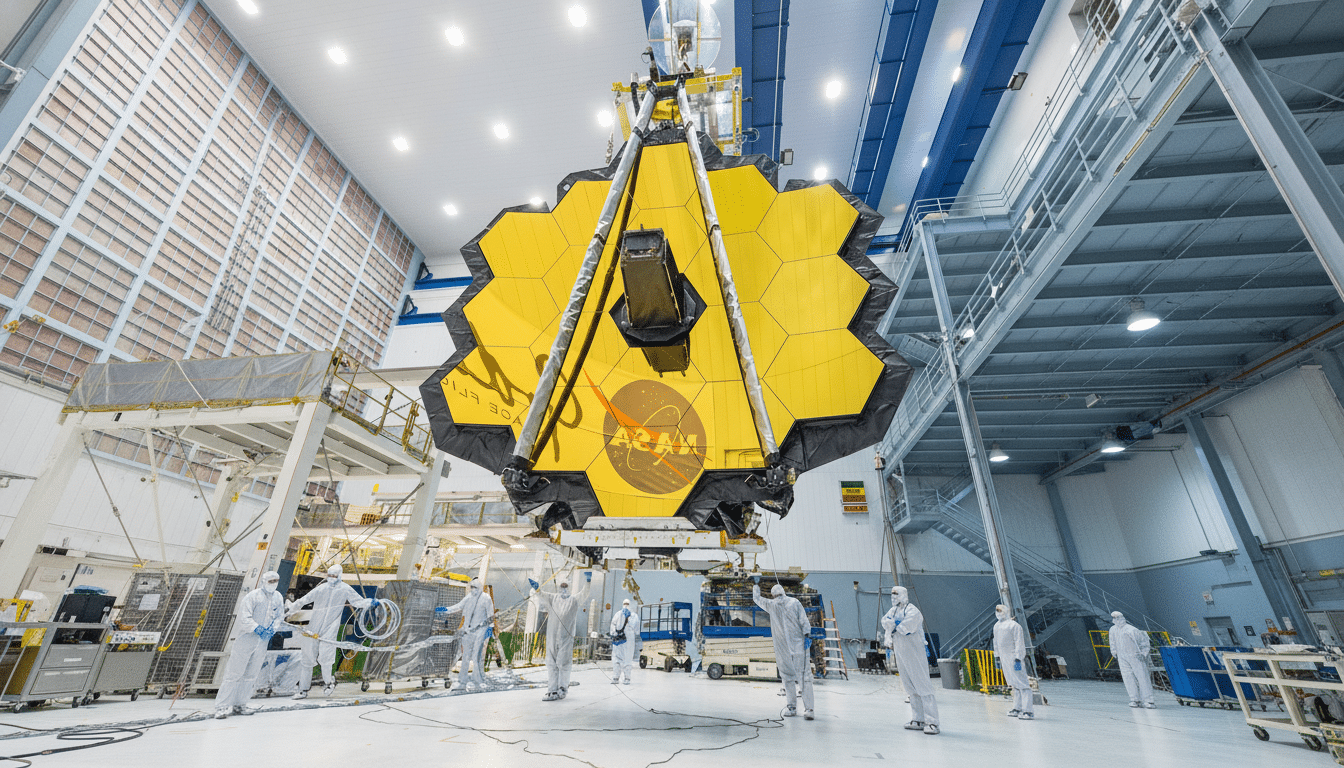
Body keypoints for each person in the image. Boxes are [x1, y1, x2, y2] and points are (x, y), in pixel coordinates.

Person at [287, 564, 377, 699]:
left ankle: (329, 683)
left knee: (326, 657)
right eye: (329, 575)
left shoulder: (345, 589)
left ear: (340, 575)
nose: (331, 578)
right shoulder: (321, 588)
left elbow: (358, 601)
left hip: (330, 627)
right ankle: (303, 690)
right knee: (307, 658)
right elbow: (305, 599)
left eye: (334, 576)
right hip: (314, 627)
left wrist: (370, 603)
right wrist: (291, 608)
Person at [214, 571, 284, 718]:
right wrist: (257, 628)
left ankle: (240, 704)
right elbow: (244, 617)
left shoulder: (278, 597)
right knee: (234, 673)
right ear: (264, 581)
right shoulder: (252, 596)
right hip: (246, 639)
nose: (273, 583)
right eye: (271, 581)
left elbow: (279, 617)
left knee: (251, 674)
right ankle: (222, 706)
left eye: (276, 581)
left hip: (263, 642)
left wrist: (273, 628)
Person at [752, 582, 815, 720]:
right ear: (783, 592)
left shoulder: (772, 605)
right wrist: (807, 636)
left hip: (783, 649)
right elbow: (804, 621)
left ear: (774, 595)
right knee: (804, 678)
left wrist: (756, 585)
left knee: (787, 678)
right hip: (799, 646)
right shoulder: (795, 602)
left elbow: (756, 599)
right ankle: (809, 709)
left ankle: (791, 708)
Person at [883, 586, 939, 735]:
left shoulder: (912, 610)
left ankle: (932, 721)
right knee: (909, 686)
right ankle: (918, 719)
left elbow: (905, 627)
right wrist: (892, 626)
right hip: (901, 652)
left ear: (903, 595)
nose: (893, 597)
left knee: (922, 685)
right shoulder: (893, 610)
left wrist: (893, 625)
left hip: (914, 653)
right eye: (892, 594)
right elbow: (885, 621)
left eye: (896, 594)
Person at [529, 571, 590, 701]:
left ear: (568, 587)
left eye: (565, 586)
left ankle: (563, 688)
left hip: (566, 638)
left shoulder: (574, 600)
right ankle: (552, 690)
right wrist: (537, 587)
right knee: (551, 663)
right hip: (552, 636)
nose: (563, 588)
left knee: (564, 663)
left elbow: (584, 594)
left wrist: (588, 581)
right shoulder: (553, 598)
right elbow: (542, 595)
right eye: (561, 586)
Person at [438, 577, 495, 690]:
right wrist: (445, 610)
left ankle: (478, 681)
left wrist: (489, 629)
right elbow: (458, 606)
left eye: (475, 587)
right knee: (465, 657)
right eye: (471, 587)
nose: (472, 589)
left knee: (477, 657)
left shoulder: (486, 598)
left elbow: (490, 615)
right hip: (468, 632)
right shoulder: (469, 598)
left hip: (480, 631)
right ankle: (462, 682)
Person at [992, 604, 1034, 720]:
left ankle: (1028, 710)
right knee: (1013, 684)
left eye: (1000, 611)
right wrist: (997, 657)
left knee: (1022, 684)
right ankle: (1017, 708)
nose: (998, 614)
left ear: (1006, 612)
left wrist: (1018, 658)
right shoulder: (996, 626)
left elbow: (1019, 642)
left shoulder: (1014, 626)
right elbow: (996, 642)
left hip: (1014, 658)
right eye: (997, 612)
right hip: (1004, 658)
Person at [1109, 611, 1155, 708]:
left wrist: (1143, 654)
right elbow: (1112, 642)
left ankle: (1148, 700)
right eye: (1114, 618)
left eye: (1117, 618)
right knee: (1128, 678)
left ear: (1122, 618)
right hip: (1122, 657)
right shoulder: (1113, 629)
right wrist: (1114, 652)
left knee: (1142, 677)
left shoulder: (1131, 629)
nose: (1116, 620)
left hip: (1135, 656)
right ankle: (1135, 699)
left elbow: (1144, 642)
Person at [610, 598, 637, 684]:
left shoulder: (633, 616)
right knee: (616, 658)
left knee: (627, 659)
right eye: (625, 603)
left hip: (629, 641)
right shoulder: (618, 614)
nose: (626, 605)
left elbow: (635, 628)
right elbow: (613, 624)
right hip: (619, 640)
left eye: (627, 604)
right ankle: (616, 677)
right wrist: (614, 633)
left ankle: (627, 678)